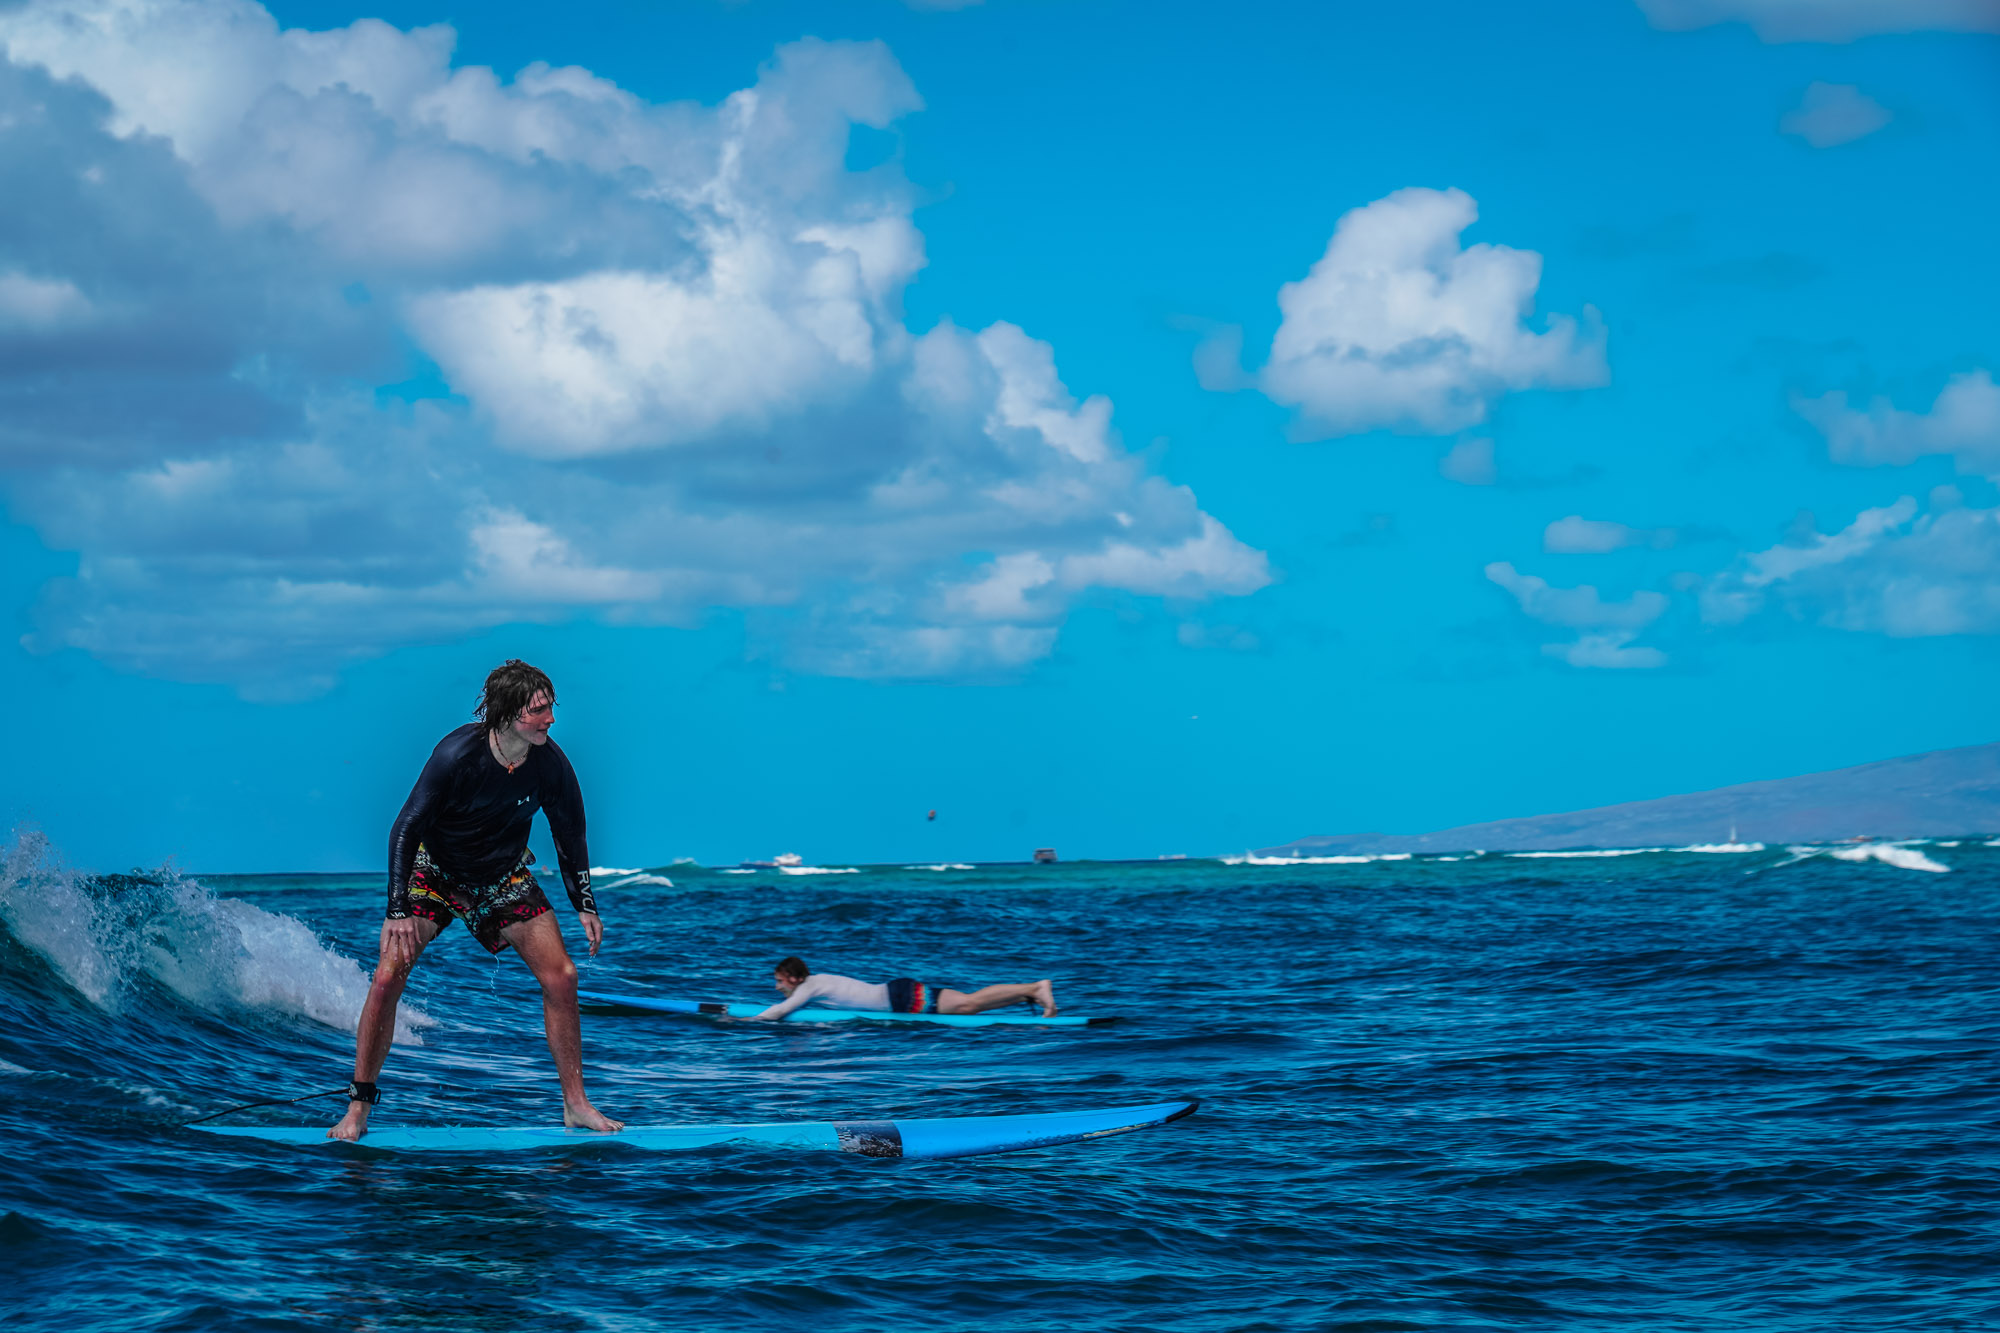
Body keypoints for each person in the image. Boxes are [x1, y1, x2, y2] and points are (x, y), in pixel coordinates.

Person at [328, 660, 623, 1141]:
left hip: (501, 876)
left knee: (562, 976)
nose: (551, 718)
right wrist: (397, 910)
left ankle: (576, 1105)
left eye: (551, 707)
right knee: (386, 976)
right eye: (539, 709)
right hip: (436, 873)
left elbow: (571, 832)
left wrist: (584, 904)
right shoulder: (456, 756)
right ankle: (358, 1109)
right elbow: (405, 829)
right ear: (508, 713)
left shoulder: (550, 765)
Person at [756, 956, 1057, 1020]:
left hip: (901, 998)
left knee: (968, 1005)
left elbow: (781, 1011)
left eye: (779, 980)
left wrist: (745, 1023)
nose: (776, 986)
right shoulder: (816, 981)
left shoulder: (808, 986)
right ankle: (1030, 992)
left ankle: (1035, 988)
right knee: (969, 1006)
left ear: (793, 978)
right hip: (898, 993)